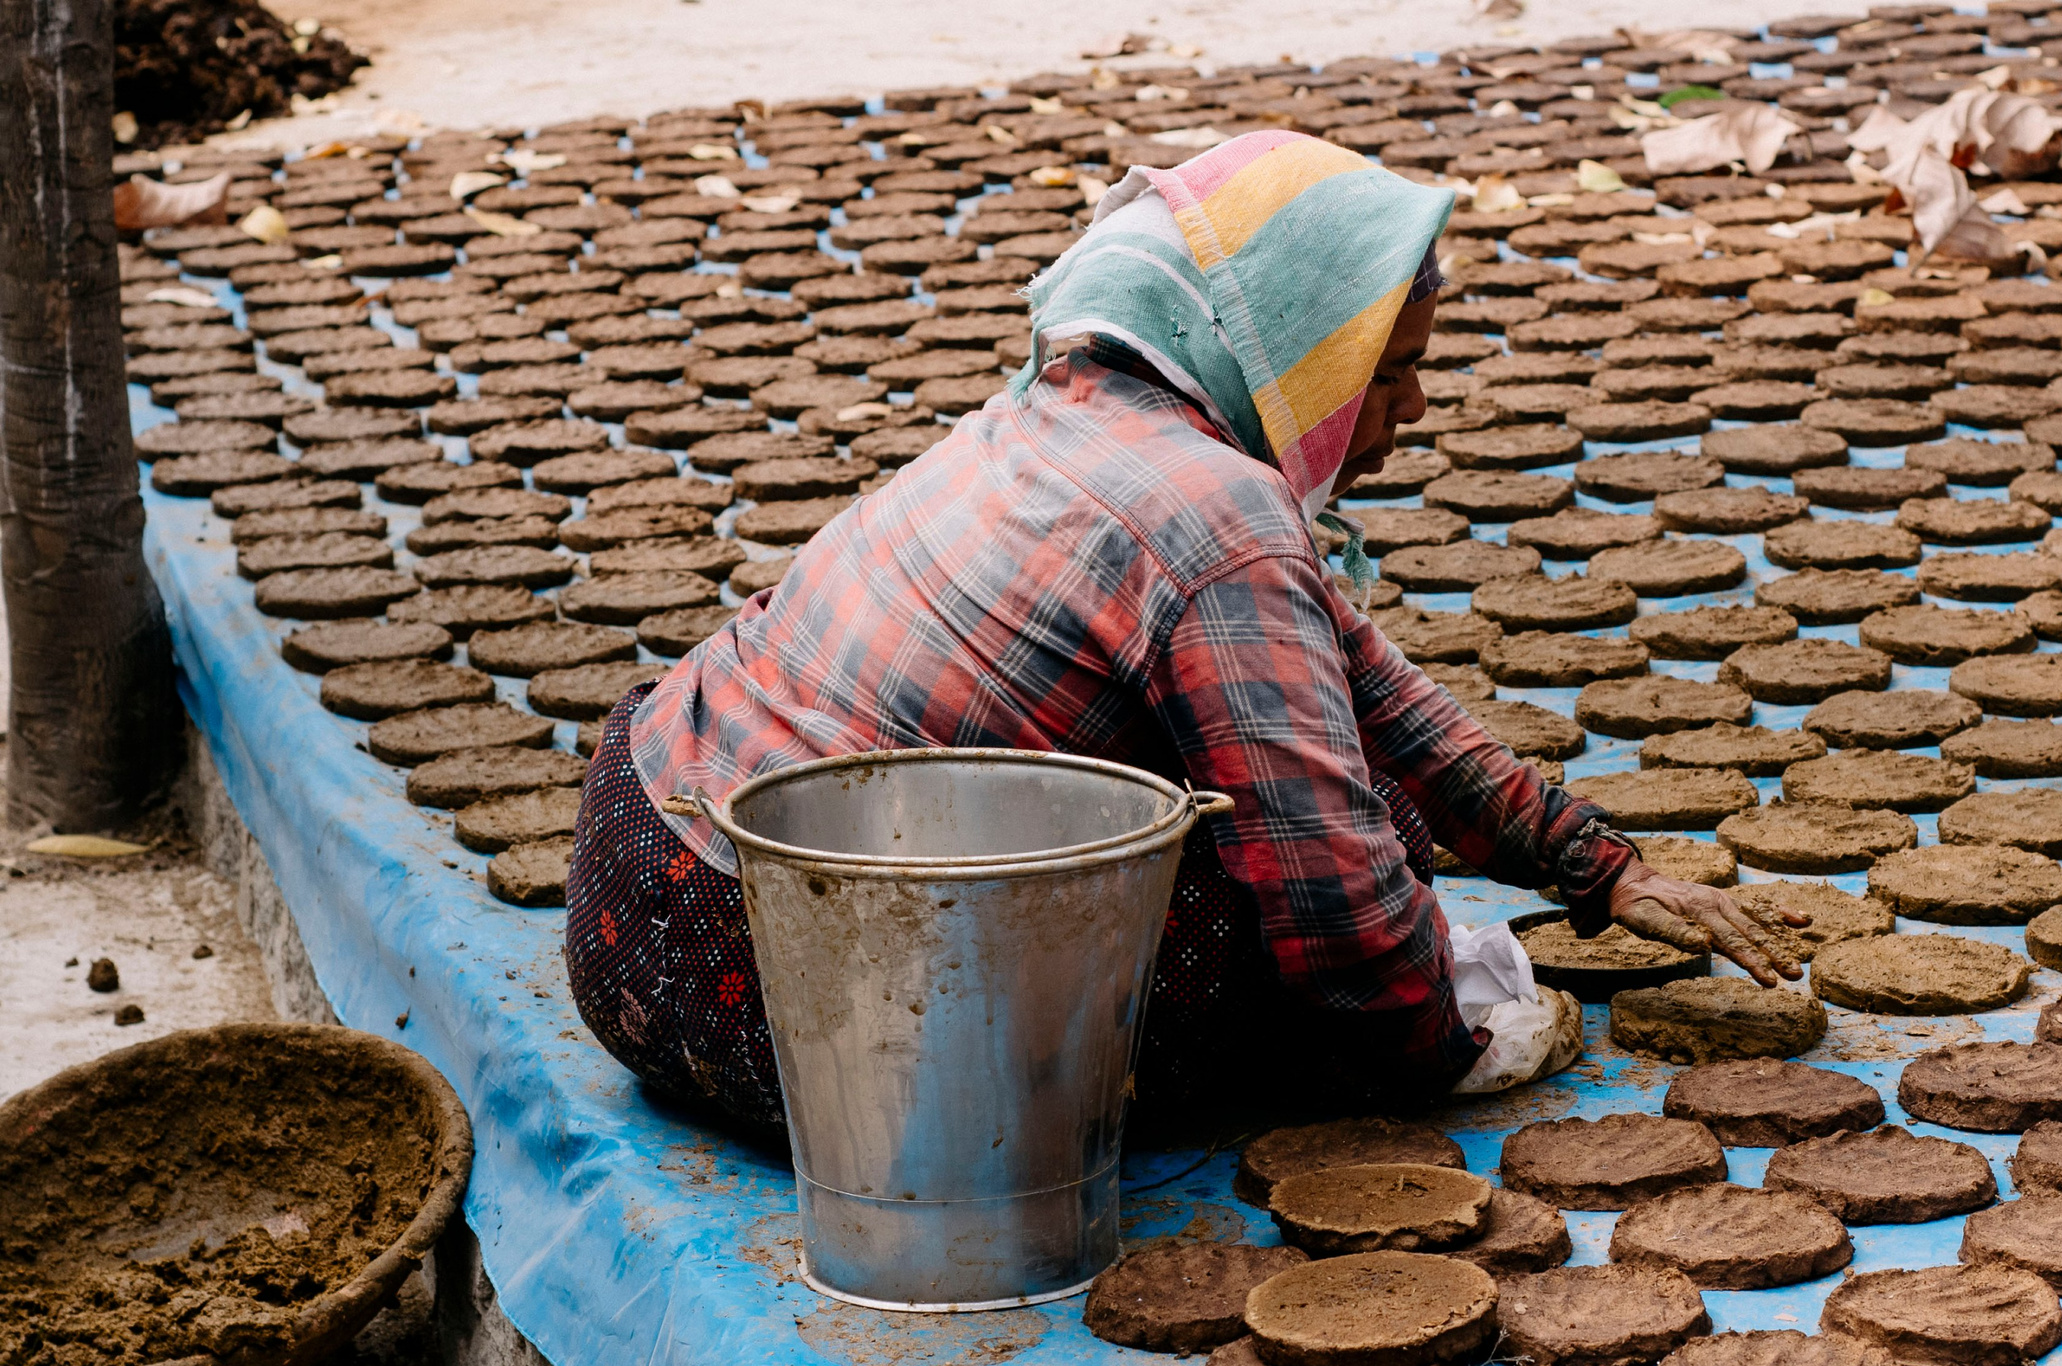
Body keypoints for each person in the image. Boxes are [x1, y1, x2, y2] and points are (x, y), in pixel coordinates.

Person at [564, 130, 1799, 1138]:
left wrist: (1598, 871)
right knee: (1313, 861)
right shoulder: (1218, 521)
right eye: (1389, 370)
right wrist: (1454, 1042)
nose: (1414, 409)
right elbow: (1332, 905)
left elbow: (1364, 686)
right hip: (820, 1018)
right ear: (1302, 356)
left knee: (1315, 756)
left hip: (634, 889)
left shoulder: (1071, 402)